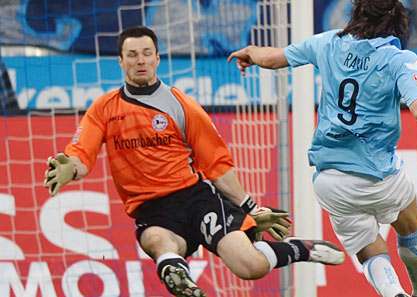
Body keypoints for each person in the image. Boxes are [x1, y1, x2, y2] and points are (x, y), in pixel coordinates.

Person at [43, 26, 344, 297]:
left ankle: (299, 248)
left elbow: (216, 164)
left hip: (195, 199)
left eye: (147, 53)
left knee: (249, 265)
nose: (140, 61)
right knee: (158, 240)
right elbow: (82, 153)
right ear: (120, 61)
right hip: (150, 209)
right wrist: (70, 167)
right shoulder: (104, 108)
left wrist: (250, 207)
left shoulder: (180, 104)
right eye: (132, 55)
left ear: (157, 59)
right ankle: (178, 277)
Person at [227, 1, 417, 297]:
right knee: (408, 219)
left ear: (357, 15)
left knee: (369, 249)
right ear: (397, 21)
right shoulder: (399, 59)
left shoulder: (328, 43)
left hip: (329, 179)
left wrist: (251, 53)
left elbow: (274, 58)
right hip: (378, 175)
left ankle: (394, 293)